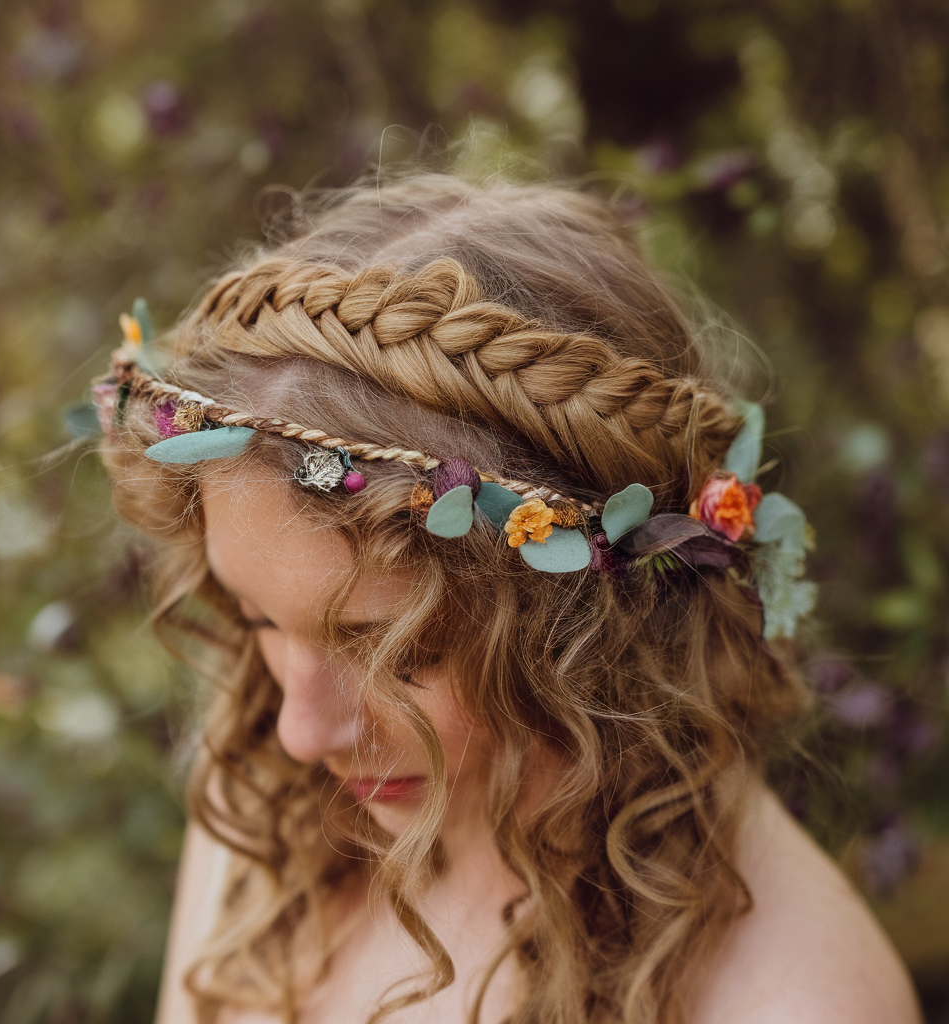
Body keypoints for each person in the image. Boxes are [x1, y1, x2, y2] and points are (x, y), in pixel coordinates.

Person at [95, 175, 920, 1024]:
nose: (299, 732)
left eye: (398, 652)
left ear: (594, 633)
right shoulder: (262, 816)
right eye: (260, 619)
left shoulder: (795, 1001)